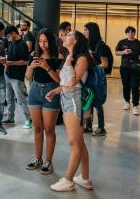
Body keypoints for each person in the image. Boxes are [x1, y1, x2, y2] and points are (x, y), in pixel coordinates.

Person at [47, 31, 93, 192]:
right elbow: (66, 82)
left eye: (70, 34)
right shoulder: (72, 57)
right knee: (79, 141)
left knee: (74, 142)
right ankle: (85, 178)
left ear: (77, 40)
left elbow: (73, 81)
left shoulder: (81, 59)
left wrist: (67, 61)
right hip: (67, 97)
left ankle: (68, 180)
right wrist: (55, 91)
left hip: (75, 100)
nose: (66, 35)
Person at [25, 28, 61, 175]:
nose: (42, 44)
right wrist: (31, 67)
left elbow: (60, 80)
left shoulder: (57, 57)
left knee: (49, 129)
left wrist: (47, 67)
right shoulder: (33, 55)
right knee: (37, 128)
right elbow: (28, 77)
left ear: (51, 41)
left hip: (51, 92)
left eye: (45, 41)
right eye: (40, 41)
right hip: (34, 91)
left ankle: (48, 161)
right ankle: (38, 158)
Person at [2, 25, 32, 128]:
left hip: (17, 76)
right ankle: (10, 118)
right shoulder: (11, 43)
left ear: (13, 33)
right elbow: (10, 58)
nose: (8, 38)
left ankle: (29, 119)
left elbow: (25, 62)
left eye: (9, 36)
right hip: (8, 75)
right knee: (9, 98)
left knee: (20, 99)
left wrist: (11, 63)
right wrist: (6, 64)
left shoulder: (22, 44)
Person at [83, 22, 110, 136]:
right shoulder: (88, 44)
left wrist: (93, 64)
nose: (84, 32)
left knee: (97, 102)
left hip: (97, 78)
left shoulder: (101, 46)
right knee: (89, 100)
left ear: (92, 31)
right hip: (89, 76)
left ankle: (101, 128)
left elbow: (105, 64)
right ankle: (88, 126)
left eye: (86, 30)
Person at [115, 26, 140, 116]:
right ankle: (127, 102)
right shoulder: (122, 42)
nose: (130, 34)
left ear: (135, 33)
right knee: (126, 85)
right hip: (124, 67)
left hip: (135, 68)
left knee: (135, 86)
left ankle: (135, 105)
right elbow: (116, 52)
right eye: (129, 32)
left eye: (132, 32)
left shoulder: (139, 43)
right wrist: (124, 52)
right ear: (126, 33)